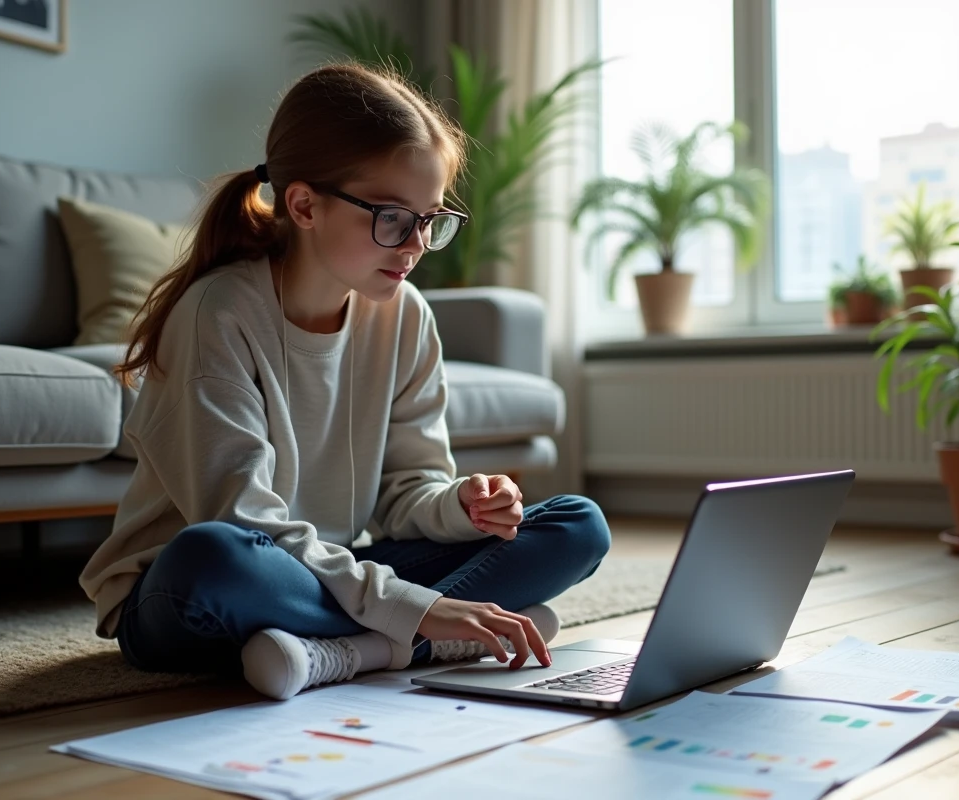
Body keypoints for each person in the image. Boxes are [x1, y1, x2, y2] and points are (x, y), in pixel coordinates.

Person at [78, 62, 612, 701]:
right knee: (215, 556)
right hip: (186, 589)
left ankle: (344, 650)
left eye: (430, 219)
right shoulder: (217, 313)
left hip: (326, 572)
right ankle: (420, 637)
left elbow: (404, 493)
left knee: (577, 524)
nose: (414, 246)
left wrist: (460, 504)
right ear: (303, 204)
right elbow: (242, 520)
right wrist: (418, 610)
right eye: (392, 218)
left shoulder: (406, 314)